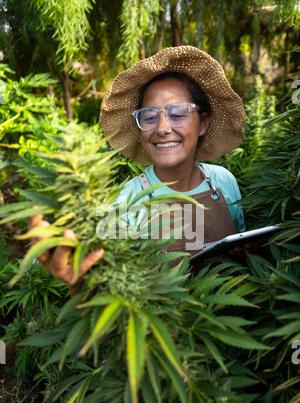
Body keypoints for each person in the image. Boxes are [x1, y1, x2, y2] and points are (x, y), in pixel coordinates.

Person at [30, 45, 246, 285]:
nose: (163, 129)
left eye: (178, 113)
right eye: (149, 117)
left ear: (203, 123)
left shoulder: (223, 181)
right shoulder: (125, 201)